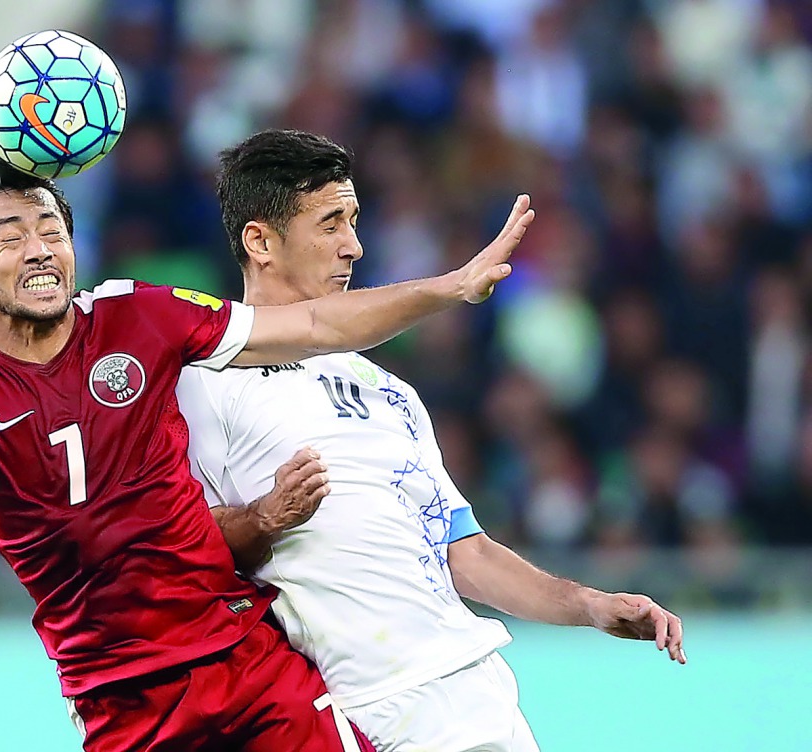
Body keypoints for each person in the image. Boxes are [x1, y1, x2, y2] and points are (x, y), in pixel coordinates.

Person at [0, 151, 533, 752]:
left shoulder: (141, 315)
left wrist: (449, 288)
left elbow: (313, 322)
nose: (40, 249)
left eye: (52, 230)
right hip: (120, 702)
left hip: (249, 666)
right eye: (11, 236)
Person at [176, 129, 685, 752]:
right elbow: (178, 553)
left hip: (474, 691)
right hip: (356, 713)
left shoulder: (385, 388)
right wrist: (263, 516)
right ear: (260, 242)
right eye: (331, 223)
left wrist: (589, 605)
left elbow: (463, 552)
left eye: (355, 221)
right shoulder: (200, 384)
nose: (354, 247)